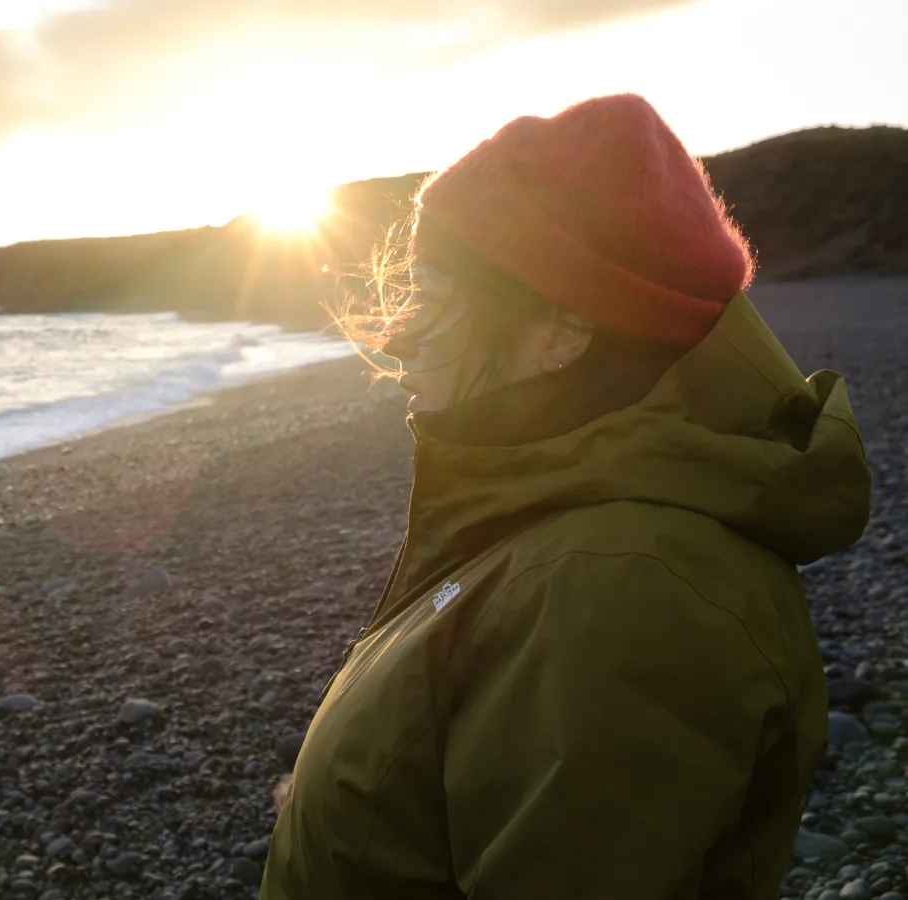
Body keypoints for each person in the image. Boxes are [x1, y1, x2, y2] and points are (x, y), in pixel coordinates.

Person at [260, 94, 871, 899]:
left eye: (432, 297)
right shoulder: (554, 499)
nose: (401, 335)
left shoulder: (627, 589)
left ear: (561, 334)